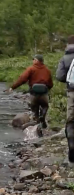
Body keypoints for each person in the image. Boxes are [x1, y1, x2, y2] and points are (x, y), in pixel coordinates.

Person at [9, 55, 53, 134]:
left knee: (34, 108)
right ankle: (42, 117)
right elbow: (51, 84)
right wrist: (47, 89)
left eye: (33, 59)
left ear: (36, 60)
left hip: (34, 93)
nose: (33, 61)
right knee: (45, 106)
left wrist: (13, 87)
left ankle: (37, 122)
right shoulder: (47, 70)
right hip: (44, 93)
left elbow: (22, 79)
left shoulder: (31, 69)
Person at [56, 35, 74, 163]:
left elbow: (60, 76)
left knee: (71, 119)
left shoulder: (65, 58)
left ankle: (72, 148)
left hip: (72, 91)